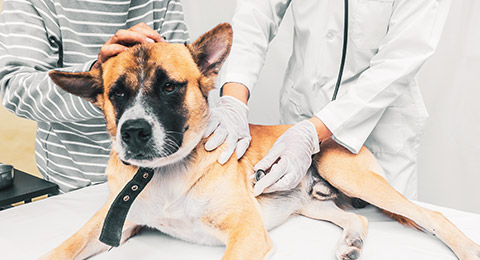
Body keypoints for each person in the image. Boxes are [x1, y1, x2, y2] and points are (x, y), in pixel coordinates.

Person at [204, 0, 452, 199]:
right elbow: (255, 14)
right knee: (304, 242)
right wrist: (233, 102)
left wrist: (313, 132)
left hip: (378, 133)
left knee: (388, 242)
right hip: (299, 115)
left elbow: (401, 59)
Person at [0, 0, 189, 192]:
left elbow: (182, 80)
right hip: (77, 183)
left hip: (164, 177)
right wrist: (97, 79)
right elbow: (15, 90)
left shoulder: (162, 3)